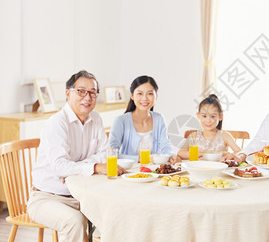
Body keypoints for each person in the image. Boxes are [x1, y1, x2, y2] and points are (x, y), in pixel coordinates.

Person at [27, 70, 126, 242]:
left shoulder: (96, 118)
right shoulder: (57, 123)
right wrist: (93, 167)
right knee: (75, 222)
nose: (87, 97)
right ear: (68, 93)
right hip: (47, 198)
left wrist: (76, 168)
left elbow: (104, 153)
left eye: (92, 92)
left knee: (119, 212)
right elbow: (59, 166)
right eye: (81, 91)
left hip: (82, 195)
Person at [109, 75, 179, 164]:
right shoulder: (121, 121)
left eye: (150, 93)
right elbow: (111, 153)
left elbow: (166, 146)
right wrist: (138, 159)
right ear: (132, 96)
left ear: (156, 96)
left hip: (153, 171)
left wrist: (171, 155)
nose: (145, 98)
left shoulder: (159, 118)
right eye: (140, 93)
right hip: (127, 172)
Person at [177, 94, 241, 159]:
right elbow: (180, 153)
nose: (208, 120)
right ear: (198, 115)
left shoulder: (225, 136)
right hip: (199, 168)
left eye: (213, 116)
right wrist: (204, 154)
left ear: (220, 116)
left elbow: (239, 152)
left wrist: (226, 155)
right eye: (204, 116)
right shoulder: (194, 136)